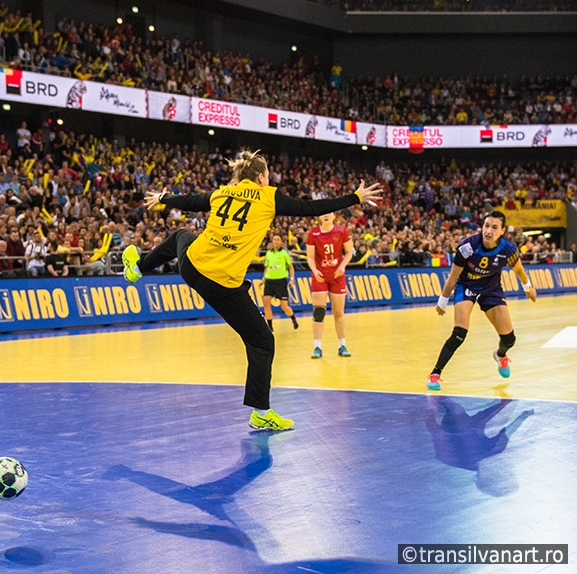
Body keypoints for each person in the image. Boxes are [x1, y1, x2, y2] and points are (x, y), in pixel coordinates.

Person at [122, 150, 382, 431]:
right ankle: (261, 412)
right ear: (261, 177)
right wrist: (355, 198)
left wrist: (163, 198)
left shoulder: (223, 193)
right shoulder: (269, 196)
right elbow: (311, 208)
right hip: (221, 283)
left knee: (180, 236)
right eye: (267, 174)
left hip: (192, 266)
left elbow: (190, 201)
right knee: (262, 342)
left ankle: (137, 269)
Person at [427, 210, 536, 391]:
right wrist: (443, 300)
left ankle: (500, 355)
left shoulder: (508, 249)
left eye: (494, 227)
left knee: (509, 339)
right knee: (459, 333)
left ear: (502, 231)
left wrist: (528, 287)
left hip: (491, 289)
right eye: (486, 226)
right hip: (466, 286)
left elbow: (519, 270)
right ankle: (435, 374)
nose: (488, 231)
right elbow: (453, 276)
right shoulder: (467, 246)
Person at [306, 211, 354, 359]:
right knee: (319, 311)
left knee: (338, 312)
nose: (326, 215)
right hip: (320, 276)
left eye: (329, 213)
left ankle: (342, 345)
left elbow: (348, 253)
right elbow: (310, 257)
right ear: (319, 216)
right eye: (323, 213)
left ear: (334, 216)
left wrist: (343, 266)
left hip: (337, 276)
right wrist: (314, 270)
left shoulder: (342, 231)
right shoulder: (313, 234)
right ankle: (317, 347)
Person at [261, 234, 298, 332]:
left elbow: (291, 267)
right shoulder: (268, 253)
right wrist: (263, 280)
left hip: (280, 281)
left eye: (278, 239)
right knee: (266, 303)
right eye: (274, 239)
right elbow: (267, 268)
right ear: (272, 241)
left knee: (284, 306)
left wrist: (292, 279)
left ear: (281, 242)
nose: (276, 241)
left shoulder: (284, 253)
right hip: (269, 281)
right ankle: (270, 327)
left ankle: (293, 318)